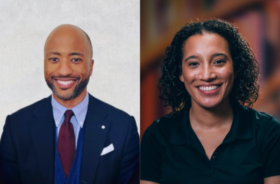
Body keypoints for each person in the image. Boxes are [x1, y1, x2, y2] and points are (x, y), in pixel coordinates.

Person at [140, 19, 280, 184]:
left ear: (236, 68)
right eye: (194, 64)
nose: (207, 75)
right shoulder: (157, 136)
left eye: (218, 62)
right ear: (180, 74)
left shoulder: (268, 132)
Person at [0, 24, 139, 184]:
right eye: (54, 59)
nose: (64, 71)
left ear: (91, 66)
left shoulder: (123, 126)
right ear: (44, 63)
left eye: (75, 59)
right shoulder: (16, 126)